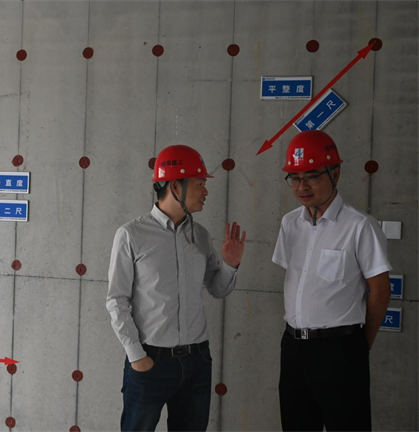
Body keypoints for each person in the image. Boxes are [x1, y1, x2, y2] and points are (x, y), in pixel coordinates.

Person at [106, 144, 246, 432]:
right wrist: (136, 356)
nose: (206, 191)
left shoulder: (200, 235)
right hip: (151, 359)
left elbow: (217, 289)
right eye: (199, 184)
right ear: (174, 186)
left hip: (197, 361)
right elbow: (117, 300)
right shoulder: (132, 235)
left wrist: (231, 265)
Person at [273, 130, 392, 432]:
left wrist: (360, 346)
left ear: (335, 173)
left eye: (312, 177)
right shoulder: (290, 224)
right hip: (294, 348)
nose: (302, 187)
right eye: (295, 178)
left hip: (341, 349)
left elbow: (380, 291)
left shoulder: (360, 226)